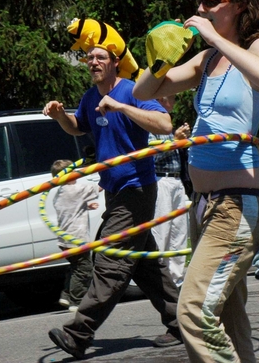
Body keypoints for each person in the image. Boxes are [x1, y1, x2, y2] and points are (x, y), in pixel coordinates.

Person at [134, 0, 259, 363]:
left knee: (194, 311)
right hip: (205, 205)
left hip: (237, 206)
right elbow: (144, 90)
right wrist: (163, 56)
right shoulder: (205, 61)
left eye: (211, 2)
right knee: (230, 320)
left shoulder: (256, 48)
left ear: (240, 5)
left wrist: (215, 37)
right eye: (198, 0)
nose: (200, 9)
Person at [45, 41, 182, 359]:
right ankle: (181, 322)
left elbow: (164, 125)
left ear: (114, 62)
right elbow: (78, 127)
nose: (92, 61)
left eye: (99, 57)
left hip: (137, 188)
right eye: (88, 58)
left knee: (112, 259)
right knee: (144, 264)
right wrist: (59, 116)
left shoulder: (133, 91)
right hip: (113, 189)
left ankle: (79, 333)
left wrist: (122, 107)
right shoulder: (90, 97)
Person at [149, 95, 191, 288]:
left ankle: (177, 279)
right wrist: (175, 140)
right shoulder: (153, 125)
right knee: (162, 231)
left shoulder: (168, 125)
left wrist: (183, 141)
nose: (175, 101)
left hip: (176, 180)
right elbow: (150, 157)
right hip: (161, 180)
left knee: (180, 231)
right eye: (172, 97)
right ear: (161, 99)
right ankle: (160, 278)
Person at [50, 158, 101, 313]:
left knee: (75, 266)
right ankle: (76, 301)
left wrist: (85, 206)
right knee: (84, 269)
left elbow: (71, 208)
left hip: (64, 239)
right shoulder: (76, 189)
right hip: (77, 238)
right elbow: (99, 188)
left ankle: (66, 295)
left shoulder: (60, 193)